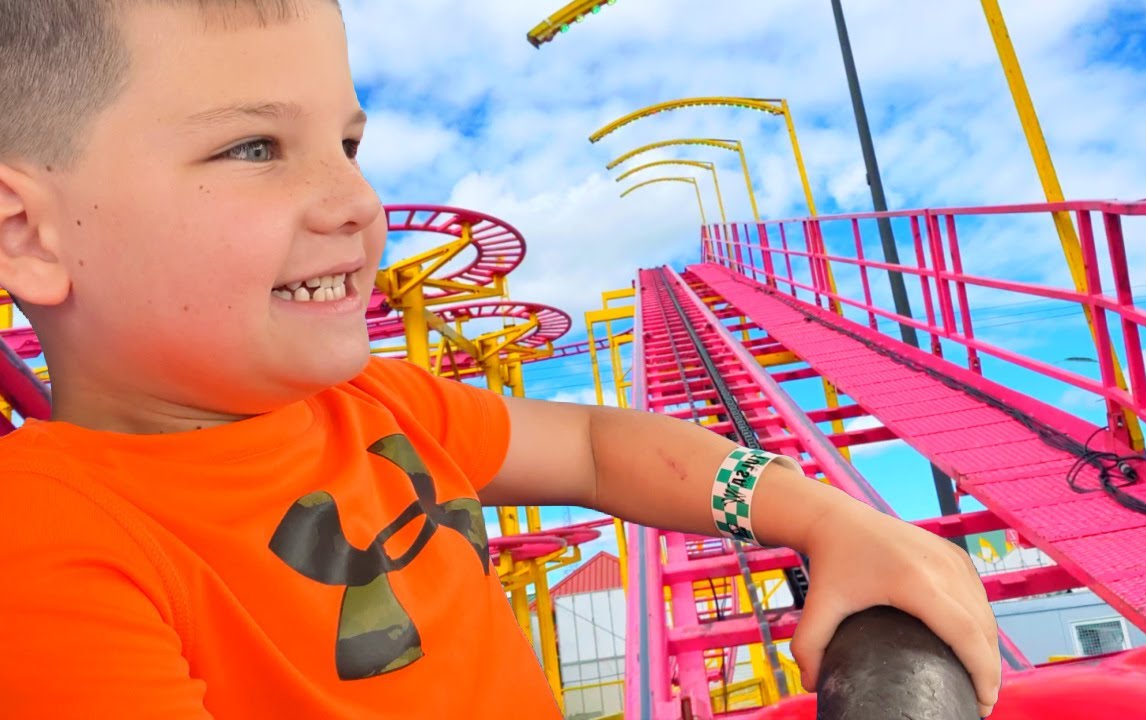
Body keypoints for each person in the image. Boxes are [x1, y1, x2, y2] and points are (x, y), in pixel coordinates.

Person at [0, 1, 1000, 717]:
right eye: (254, 148)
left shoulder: (375, 403)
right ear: (30, 235)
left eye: (348, 141)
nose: (356, 201)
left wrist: (815, 514)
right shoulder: (46, 549)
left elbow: (598, 448)